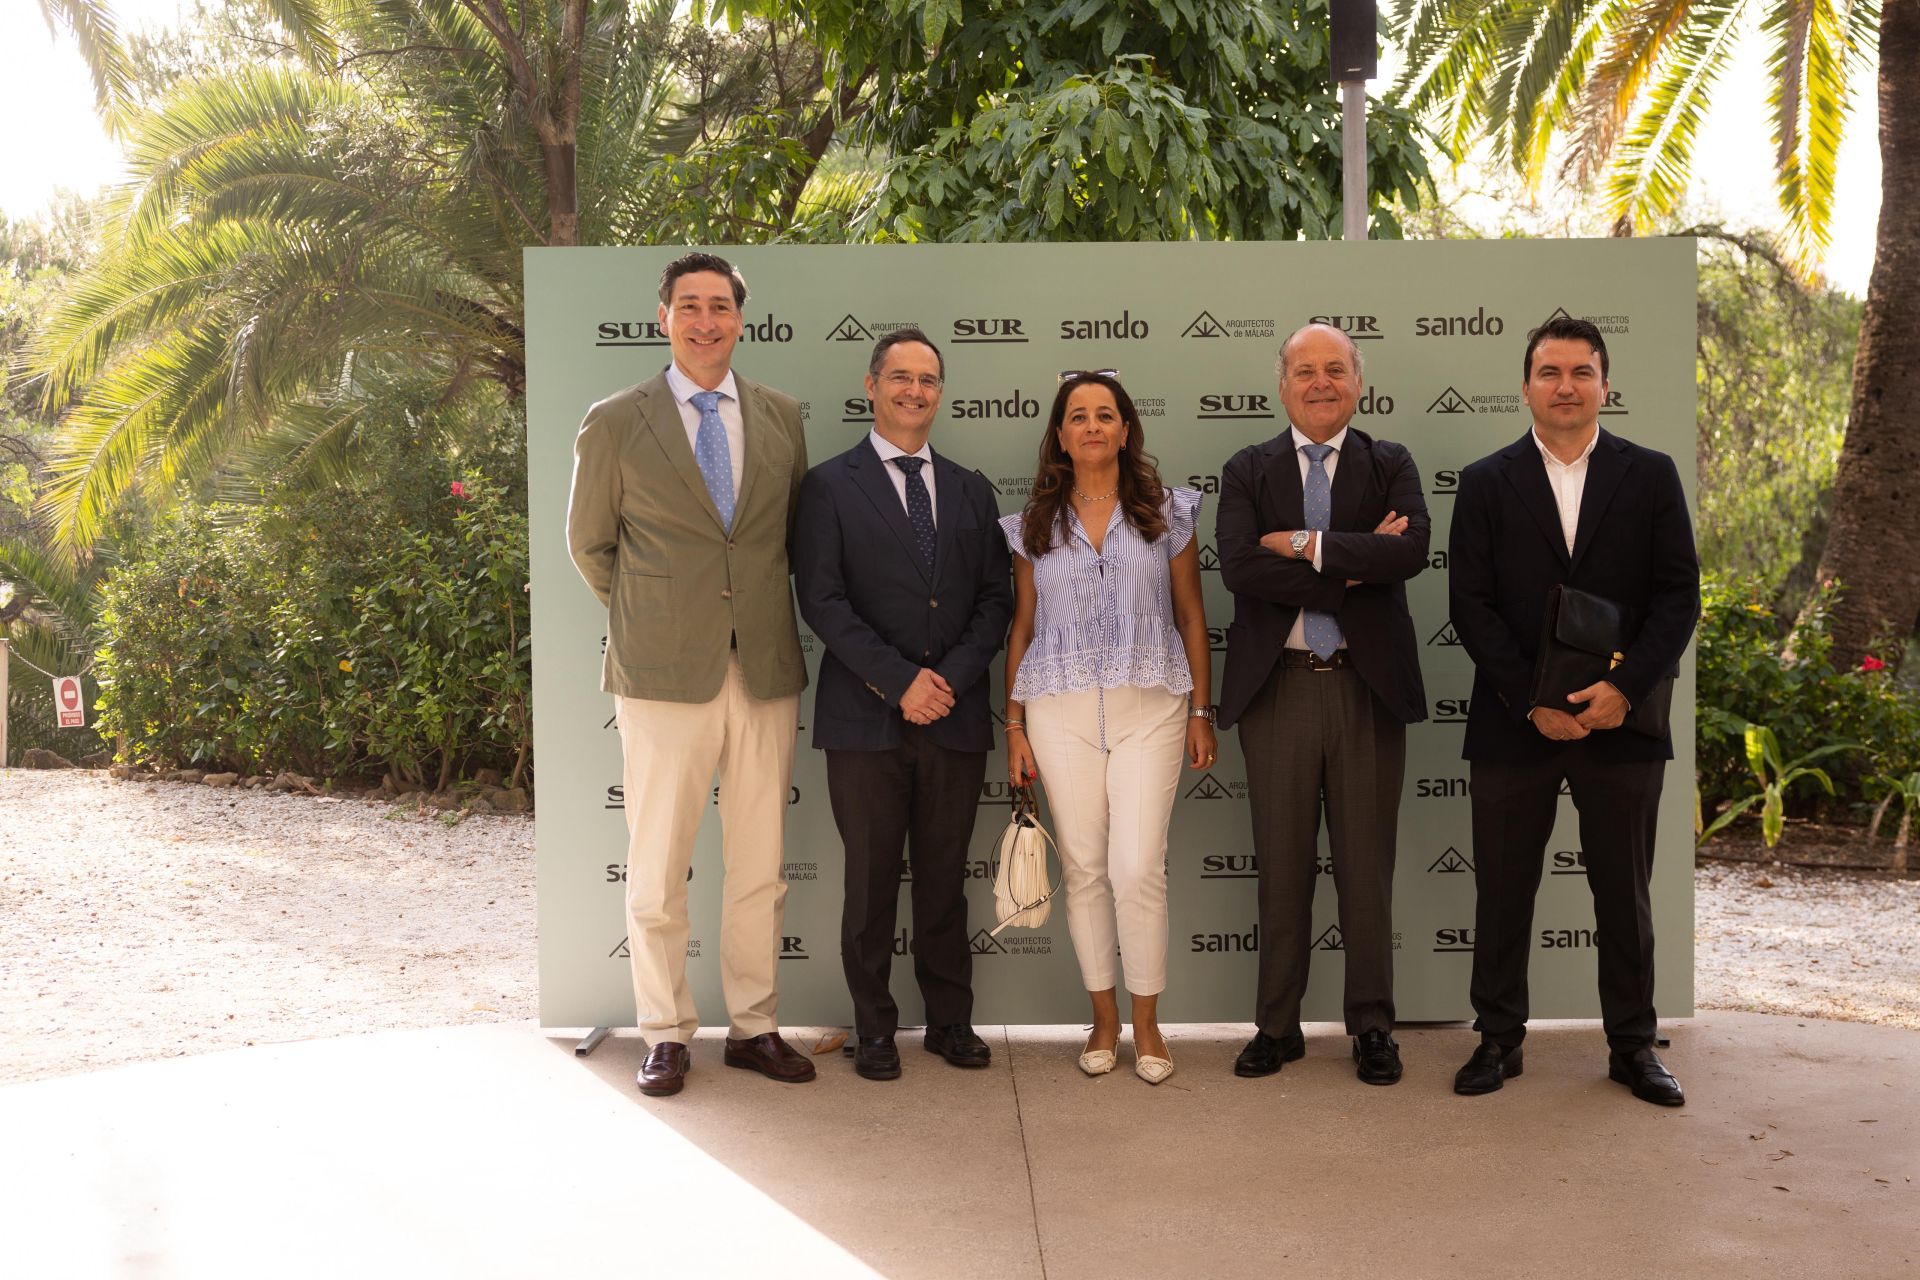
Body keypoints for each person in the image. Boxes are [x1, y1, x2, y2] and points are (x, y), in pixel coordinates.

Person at [565, 251, 814, 1098]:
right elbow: (591, 547)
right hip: (662, 673)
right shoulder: (614, 419)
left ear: (740, 319)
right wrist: (657, 614)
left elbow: (783, 541)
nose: (706, 320)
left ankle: (754, 1028)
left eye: (721, 306)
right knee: (658, 864)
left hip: (765, 668)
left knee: (759, 865)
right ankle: (665, 1032)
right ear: (662, 317)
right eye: (690, 306)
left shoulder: (781, 417)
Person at [1448, 314, 1700, 1106]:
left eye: (1581, 372)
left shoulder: (1651, 474)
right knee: (1503, 889)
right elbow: (1471, 605)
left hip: (1621, 723)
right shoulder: (1486, 481)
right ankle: (1497, 1039)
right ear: (1525, 385)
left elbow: (1678, 595)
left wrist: (1622, 692)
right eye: (1550, 372)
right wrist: (1535, 702)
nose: (1565, 386)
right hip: (1514, 722)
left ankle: (1632, 1047)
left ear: (1604, 384)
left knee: (1623, 892)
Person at [792, 328, 1013, 1081]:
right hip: (865, 720)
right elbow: (822, 599)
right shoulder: (828, 486)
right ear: (871, 385)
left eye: (928, 380)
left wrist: (943, 680)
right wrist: (900, 681)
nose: (914, 391)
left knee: (946, 882)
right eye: (900, 378)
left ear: (940, 392)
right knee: (871, 883)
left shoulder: (970, 488)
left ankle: (952, 1022)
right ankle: (875, 1029)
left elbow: (995, 600)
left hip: (954, 715)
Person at [1215, 322, 1430, 1086]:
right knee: (1280, 867)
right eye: (1304, 370)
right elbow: (1241, 566)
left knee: (1365, 870)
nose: (1320, 382)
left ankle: (1373, 1027)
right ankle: (1277, 1027)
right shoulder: (1247, 468)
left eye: (1334, 369)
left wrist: (1303, 546)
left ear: (1357, 382)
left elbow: (1408, 552)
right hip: (1280, 690)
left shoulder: (1391, 462)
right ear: (1282, 384)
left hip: (1365, 690)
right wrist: (1352, 558)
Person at [1000, 370, 1215, 1085]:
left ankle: (1149, 1025)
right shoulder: (1034, 523)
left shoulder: (1167, 512)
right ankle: (1102, 1020)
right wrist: (1014, 725)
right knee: (1085, 869)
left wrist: (1200, 710)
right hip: (1056, 712)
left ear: (1126, 428)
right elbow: (1023, 626)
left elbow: (1191, 615)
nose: (1091, 426)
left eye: (1105, 414)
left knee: (1135, 868)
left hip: (1150, 709)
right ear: (1059, 435)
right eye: (1077, 416)